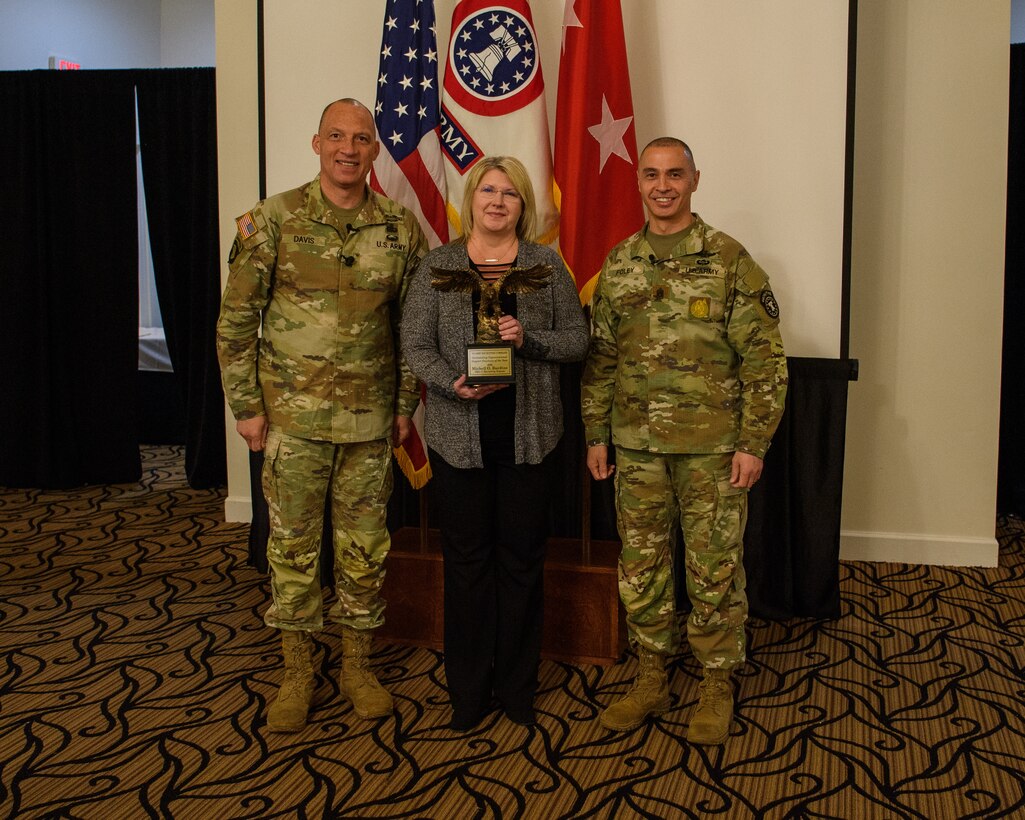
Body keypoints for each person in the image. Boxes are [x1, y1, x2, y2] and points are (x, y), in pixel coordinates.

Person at [216, 98, 427, 732]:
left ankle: (357, 664)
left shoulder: (399, 228)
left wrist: (403, 405)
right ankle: (298, 670)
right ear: (316, 143)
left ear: (373, 150)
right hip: (292, 421)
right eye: (336, 136)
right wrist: (247, 408)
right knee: (294, 549)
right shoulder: (273, 219)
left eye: (361, 138)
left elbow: (410, 329)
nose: (348, 148)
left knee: (364, 550)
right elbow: (235, 322)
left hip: (368, 423)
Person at [581, 137, 788, 745]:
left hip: (713, 450)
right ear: (638, 183)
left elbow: (765, 360)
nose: (663, 185)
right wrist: (596, 434)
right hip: (637, 448)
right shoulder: (619, 263)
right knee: (641, 566)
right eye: (651, 174)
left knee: (714, 570)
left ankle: (715, 683)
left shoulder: (729, 260)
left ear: (696, 179)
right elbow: (601, 360)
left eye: (675, 174)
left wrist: (754, 443)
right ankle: (651, 678)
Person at [401, 156, 589, 730]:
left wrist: (528, 338)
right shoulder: (438, 266)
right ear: (471, 198)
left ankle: (517, 688)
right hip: (460, 442)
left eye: (510, 193)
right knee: (465, 567)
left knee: (521, 565)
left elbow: (578, 341)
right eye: (488, 190)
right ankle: (467, 691)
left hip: (528, 440)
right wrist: (448, 384)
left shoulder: (545, 265)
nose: (498, 201)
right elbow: (414, 342)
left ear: (523, 205)